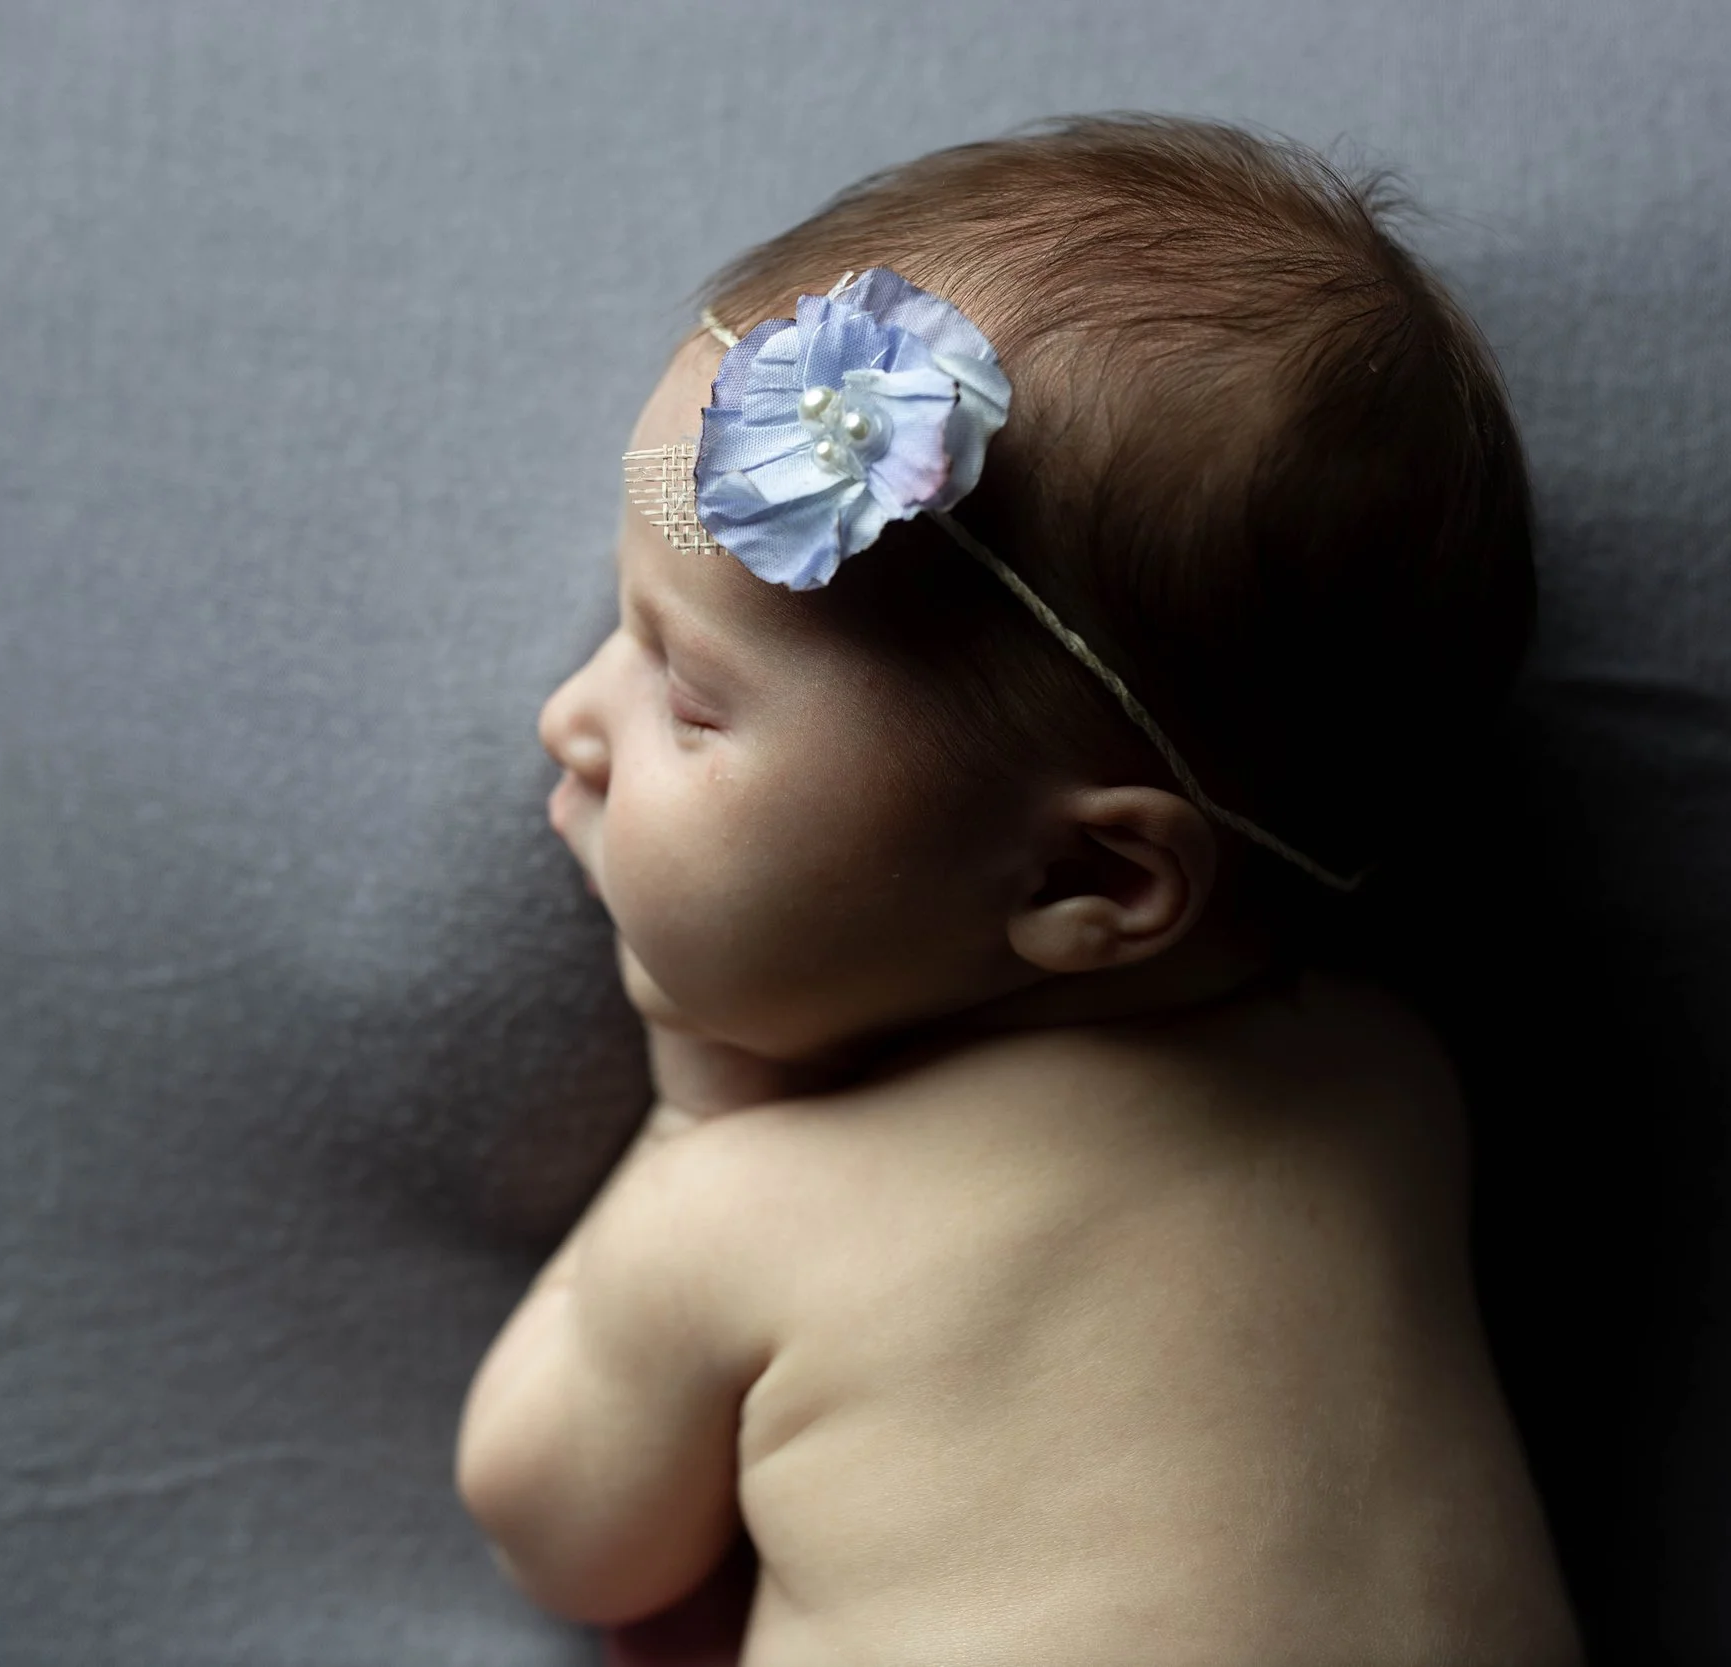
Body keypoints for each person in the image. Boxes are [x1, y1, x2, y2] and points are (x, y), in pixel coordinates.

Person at [454, 115, 1581, 1666]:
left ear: (1087, 874)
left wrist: (698, 1114)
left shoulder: (759, 1202)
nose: (570, 714)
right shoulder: (1392, 1085)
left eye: (687, 696)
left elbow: (562, 1529)